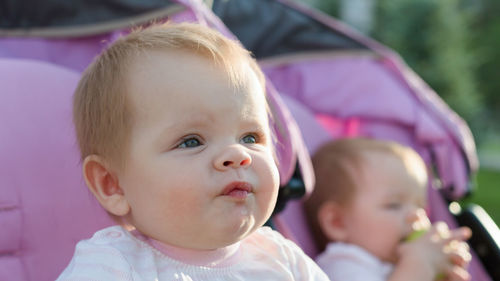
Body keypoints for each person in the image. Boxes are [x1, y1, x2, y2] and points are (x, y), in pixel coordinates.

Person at [57, 22, 329, 280]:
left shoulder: (283, 259)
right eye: (191, 141)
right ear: (112, 184)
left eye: (250, 137)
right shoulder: (113, 267)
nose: (237, 155)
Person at [304, 138, 472, 281]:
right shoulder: (342, 265)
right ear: (337, 222)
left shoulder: (398, 264)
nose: (416, 215)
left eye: (421, 206)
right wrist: (421, 264)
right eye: (394, 205)